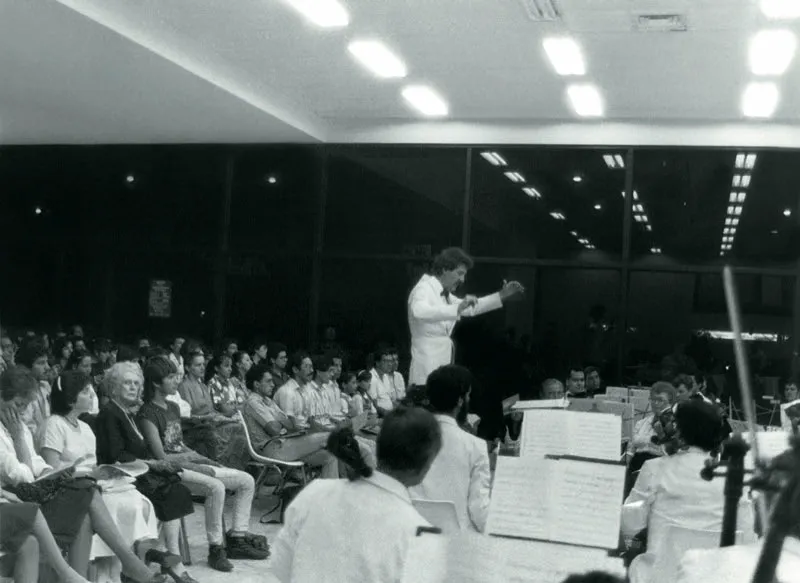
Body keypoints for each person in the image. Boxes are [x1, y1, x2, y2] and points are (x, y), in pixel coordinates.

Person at [0, 366, 166, 583]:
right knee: (86, 490)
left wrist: (52, 472)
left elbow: (38, 465)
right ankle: (127, 563)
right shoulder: (24, 428)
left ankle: (92, 574)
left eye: (24, 406)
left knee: (85, 509)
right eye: (18, 405)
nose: (21, 412)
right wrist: (20, 441)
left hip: (34, 492)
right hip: (19, 498)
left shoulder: (20, 426)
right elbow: (20, 475)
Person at [268, 407, 442, 583]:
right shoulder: (420, 533)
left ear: (379, 447)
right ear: (428, 463)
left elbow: (281, 567)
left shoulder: (314, 493)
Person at [137, 356, 267, 572]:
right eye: (170, 377)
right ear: (156, 383)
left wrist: (203, 459)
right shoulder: (147, 413)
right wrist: (194, 462)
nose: (175, 381)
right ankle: (216, 548)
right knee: (215, 487)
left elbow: (178, 444)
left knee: (246, 480)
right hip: (170, 471)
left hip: (188, 462)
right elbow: (162, 457)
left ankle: (237, 536)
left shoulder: (172, 407)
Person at [621, 399, 756, 583]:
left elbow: (629, 524)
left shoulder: (654, 468)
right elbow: (746, 537)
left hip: (661, 577)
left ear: (679, 431)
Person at [95, 362, 198, 583]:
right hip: (120, 476)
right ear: (113, 387)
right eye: (127, 383)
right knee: (169, 491)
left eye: (136, 383)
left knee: (174, 487)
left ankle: (161, 558)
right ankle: (162, 560)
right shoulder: (109, 413)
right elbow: (116, 455)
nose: (133, 388)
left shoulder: (126, 412)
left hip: (137, 472)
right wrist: (152, 464)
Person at [407, 247, 524, 386]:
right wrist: (457, 308)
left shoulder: (444, 294)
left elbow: (471, 308)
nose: (462, 279)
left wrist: (503, 294)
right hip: (425, 366)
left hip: (442, 364)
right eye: (460, 273)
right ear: (445, 269)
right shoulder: (424, 288)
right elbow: (419, 311)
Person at [409, 365, 491, 532]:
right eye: (468, 395)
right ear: (460, 401)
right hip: (456, 542)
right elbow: (479, 510)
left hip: (414, 534)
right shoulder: (476, 446)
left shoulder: (407, 439)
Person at [242, 363, 338, 478]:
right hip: (270, 449)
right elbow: (275, 429)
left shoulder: (268, 400)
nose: (273, 385)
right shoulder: (253, 402)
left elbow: (290, 425)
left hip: (284, 444)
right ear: (257, 384)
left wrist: (280, 422)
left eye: (272, 381)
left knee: (329, 456)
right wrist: (280, 421)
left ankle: (331, 494)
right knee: (329, 436)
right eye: (268, 381)